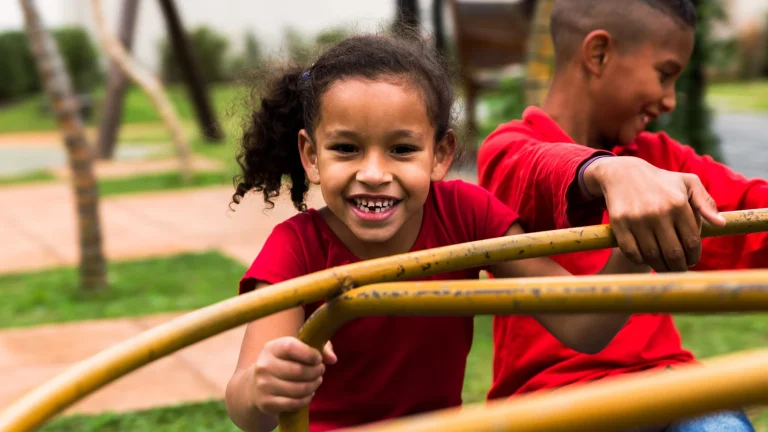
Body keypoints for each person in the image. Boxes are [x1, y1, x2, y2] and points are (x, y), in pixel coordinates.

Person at [224, 33, 648, 432]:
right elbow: (247, 413)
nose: (373, 174)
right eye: (346, 149)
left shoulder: (467, 215)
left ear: (440, 155)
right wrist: (263, 385)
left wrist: (637, 243)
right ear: (311, 157)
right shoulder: (294, 248)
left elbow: (584, 328)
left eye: (402, 149)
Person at [477, 0, 765, 430]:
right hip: (552, 401)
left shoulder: (658, 157)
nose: (669, 100)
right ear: (598, 54)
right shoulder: (509, 150)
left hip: (666, 389)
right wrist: (607, 171)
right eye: (665, 74)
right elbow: (535, 169)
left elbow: (746, 210)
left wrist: (633, 168)